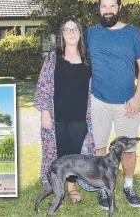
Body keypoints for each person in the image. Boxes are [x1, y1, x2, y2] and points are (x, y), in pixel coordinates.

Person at [86, 0, 140, 210]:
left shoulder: (133, 33)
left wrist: (137, 97)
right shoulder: (91, 33)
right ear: (99, 8)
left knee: (129, 150)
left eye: (112, 6)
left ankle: (128, 186)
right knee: (100, 148)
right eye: (104, 6)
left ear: (119, 7)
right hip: (99, 101)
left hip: (127, 104)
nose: (108, 10)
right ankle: (103, 189)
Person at [34, 17, 96, 203]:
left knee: (76, 154)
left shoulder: (88, 59)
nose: (71, 33)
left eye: (74, 29)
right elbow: (43, 86)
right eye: (67, 29)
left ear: (80, 33)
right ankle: (55, 184)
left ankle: (71, 187)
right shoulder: (53, 58)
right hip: (56, 116)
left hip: (80, 116)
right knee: (58, 153)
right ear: (61, 34)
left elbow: (94, 88)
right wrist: (45, 112)